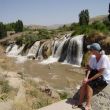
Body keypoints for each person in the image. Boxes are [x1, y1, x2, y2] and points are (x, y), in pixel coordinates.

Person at [77, 43, 110, 110]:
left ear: (95, 51)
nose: (89, 51)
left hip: (104, 77)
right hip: (95, 73)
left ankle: (88, 105)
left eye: (91, 50)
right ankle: (80, 102)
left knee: (89, 85)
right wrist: (86, 77)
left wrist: (89, 80)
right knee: (84, 83)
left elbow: (101, 73)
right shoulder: (93, 57)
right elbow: (89, 68)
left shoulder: (104, 58)